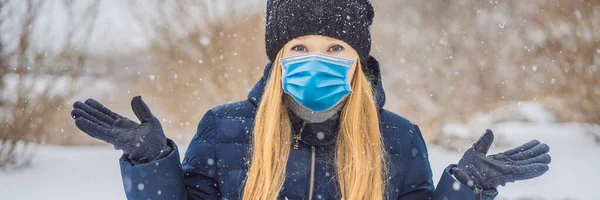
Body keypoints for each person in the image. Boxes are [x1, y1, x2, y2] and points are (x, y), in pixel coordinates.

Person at [70, 0, 551, 199]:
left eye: (334, 48)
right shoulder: (224, 127)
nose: (315, 60)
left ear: (357, 61)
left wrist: (466, 186)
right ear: (278, 59)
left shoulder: (399, 136)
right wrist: (151, 161)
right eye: (298, 48)